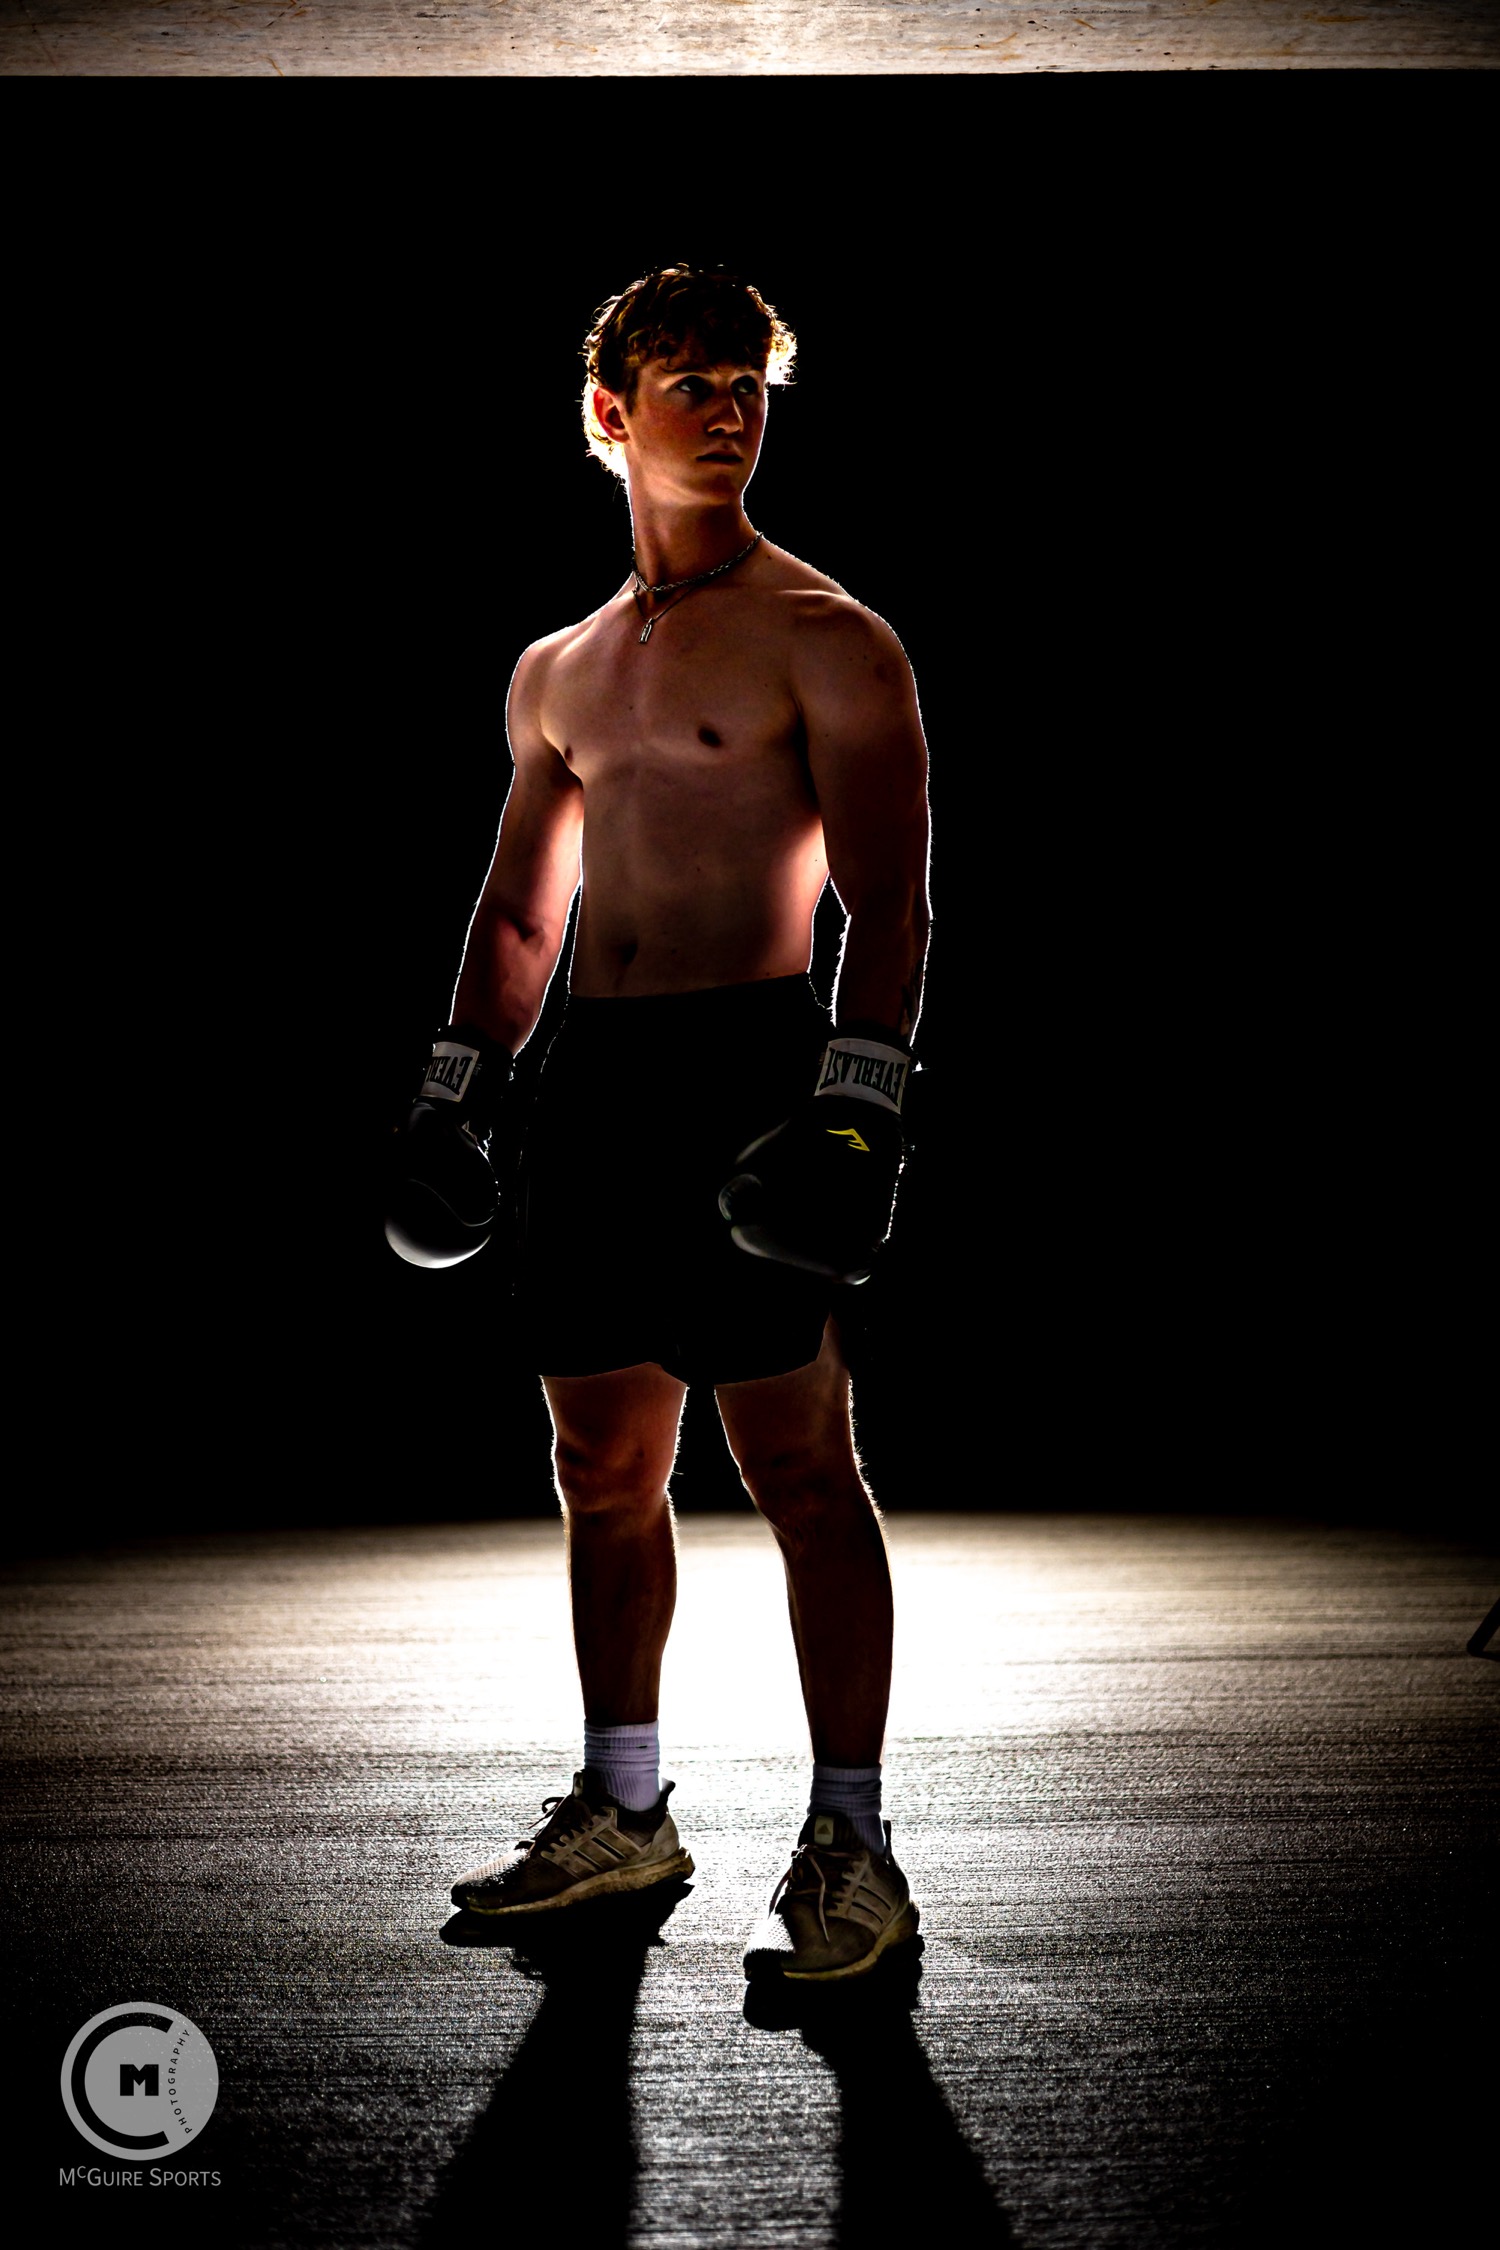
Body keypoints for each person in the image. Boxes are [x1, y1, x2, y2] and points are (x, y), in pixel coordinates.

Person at [387, 265, 931, 1984]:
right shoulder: (555, 668)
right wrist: (452, 1084)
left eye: (746, 376)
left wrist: (858, 1109)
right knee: (600, 1466)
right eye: (684, 376)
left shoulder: (829, 635)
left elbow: (895, 908)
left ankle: (853, 1842)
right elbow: (516, 913)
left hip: (749, 1071)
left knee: (798, 1467)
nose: (725, 403)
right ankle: (625, 1813)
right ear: (610, 413)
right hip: (593, 1090)